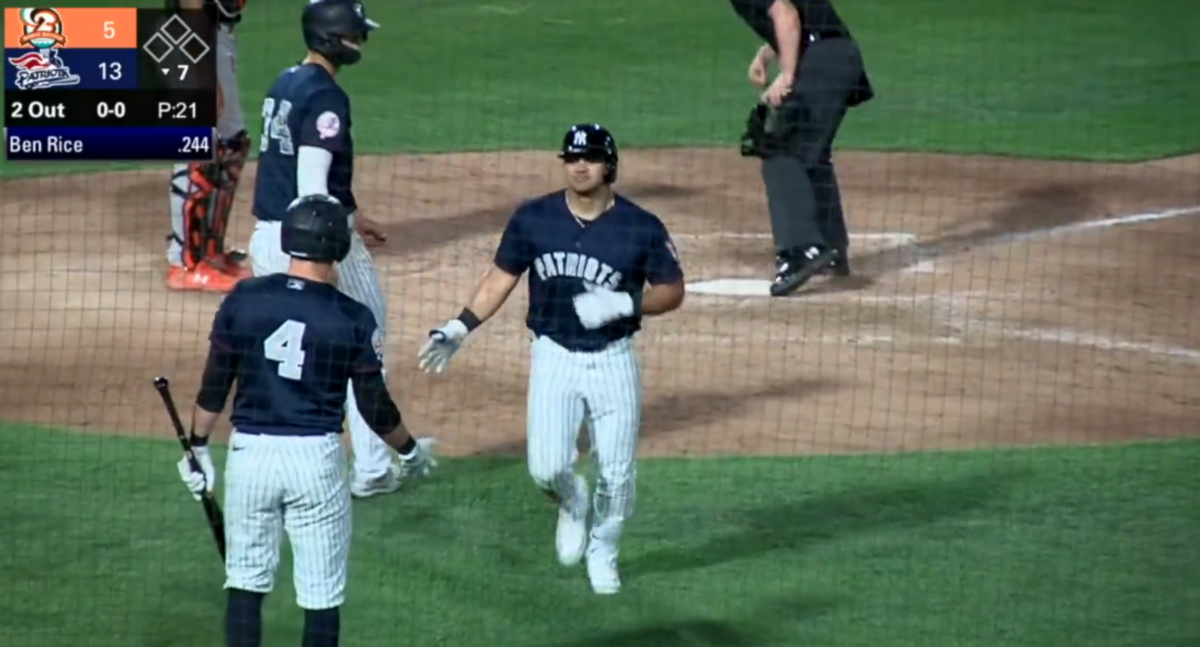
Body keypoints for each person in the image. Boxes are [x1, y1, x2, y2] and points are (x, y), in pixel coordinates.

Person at [416, 124, 686, 595]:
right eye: (572, 158)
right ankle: (571, 499)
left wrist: (626, 304)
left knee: (619, 474)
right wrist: (460, 325)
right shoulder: (534, 218)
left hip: (613, 361)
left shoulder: (641, 226)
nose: (580, 166)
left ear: (610, 166)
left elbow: (671, 290)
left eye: (591, 158)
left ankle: (604, 550)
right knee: (544, 467)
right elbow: (500, 277)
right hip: (554, 356)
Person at [175, 194, 437, 647]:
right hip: (315, 460)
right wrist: (409, 449)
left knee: (244, 586)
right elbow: (374, 406)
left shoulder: (245, 298)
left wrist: (197, 447)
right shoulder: (352, 317)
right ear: (338, 248)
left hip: (250, 457)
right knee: (320, 598)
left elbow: (215, 383)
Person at [245, 0, 400, 498]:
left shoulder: (285, 81)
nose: (361, 41)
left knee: (288, 350)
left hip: (268, 239)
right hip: (311, 240)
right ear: (334, 36)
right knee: (362, 340)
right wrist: (331, 250)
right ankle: (373, 469)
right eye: (355, 33)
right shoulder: (328, 97)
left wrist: (355, 215)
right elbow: (312, 185)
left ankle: (278, 461)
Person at [730, 0, 874, 296]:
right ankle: (829, 247)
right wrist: (768, 51)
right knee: (811, 154)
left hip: (820, 60)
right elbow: (805, 17)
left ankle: (802, 249)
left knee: (780, 147)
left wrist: (787, 73)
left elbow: (785, 12)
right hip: (837, 55)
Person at [164, 0, 253, 292]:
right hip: (196, 36)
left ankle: (209, 252)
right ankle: (186, 263)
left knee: (230, 144)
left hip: (217, 35)